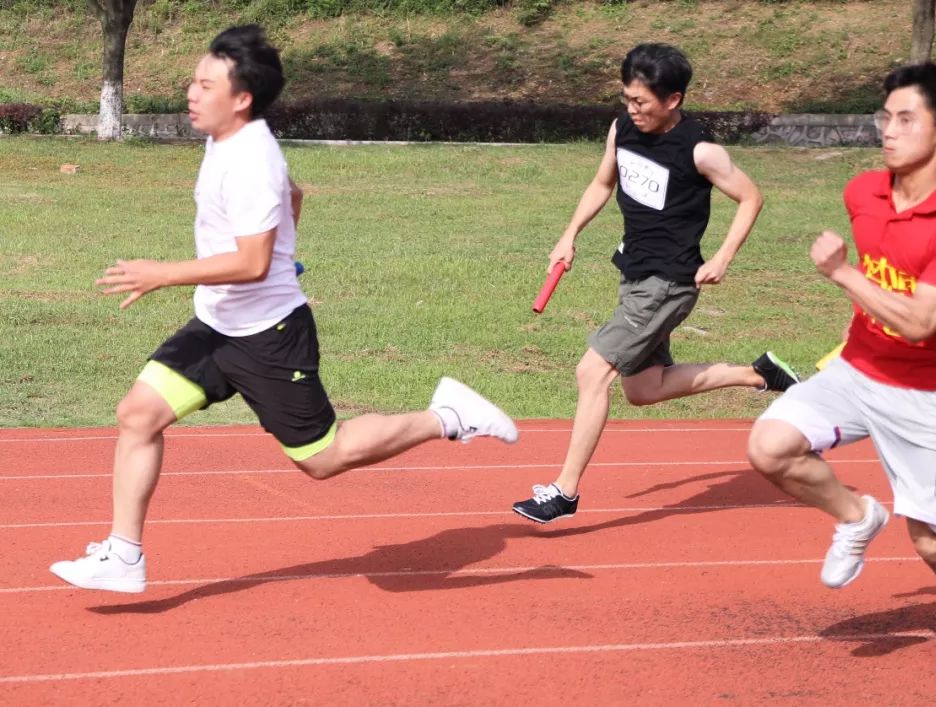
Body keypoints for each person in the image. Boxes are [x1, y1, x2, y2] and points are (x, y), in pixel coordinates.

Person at [50, 25, 517, 594]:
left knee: (323, 459)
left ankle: (447, 417)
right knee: (138, 414)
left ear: (241, 98)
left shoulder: (251, 160)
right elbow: (293, 198)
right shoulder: (228, 137)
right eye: (193, 82)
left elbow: (249, 261)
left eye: (205, 85)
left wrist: (164, 273)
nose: (192, 94)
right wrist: (285, 258)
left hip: (269, 336)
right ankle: (124, 556)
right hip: (220, 324)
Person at [746, 63, 936, 679]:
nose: (887, 130)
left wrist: (841, 274)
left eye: (905, 119)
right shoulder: (864, 192)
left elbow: (919, 323)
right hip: (860, 371)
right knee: (769, 447)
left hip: (933, 397)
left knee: (933, 544)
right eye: (885, 117)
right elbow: (884, 283)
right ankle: (858, 516)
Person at [512, 43, 799, 525]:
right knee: (643, 389)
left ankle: (564, 492)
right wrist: (569, 234)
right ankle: (759, 374)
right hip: (635, 274)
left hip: (669, 282)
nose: (632, 109)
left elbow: (751, 197)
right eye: (627, 98)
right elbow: (603, 183)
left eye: (641, 101)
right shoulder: (622, 129)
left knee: (592, 372)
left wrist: (723, 258)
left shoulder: (700, 151)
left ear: (673, 99)